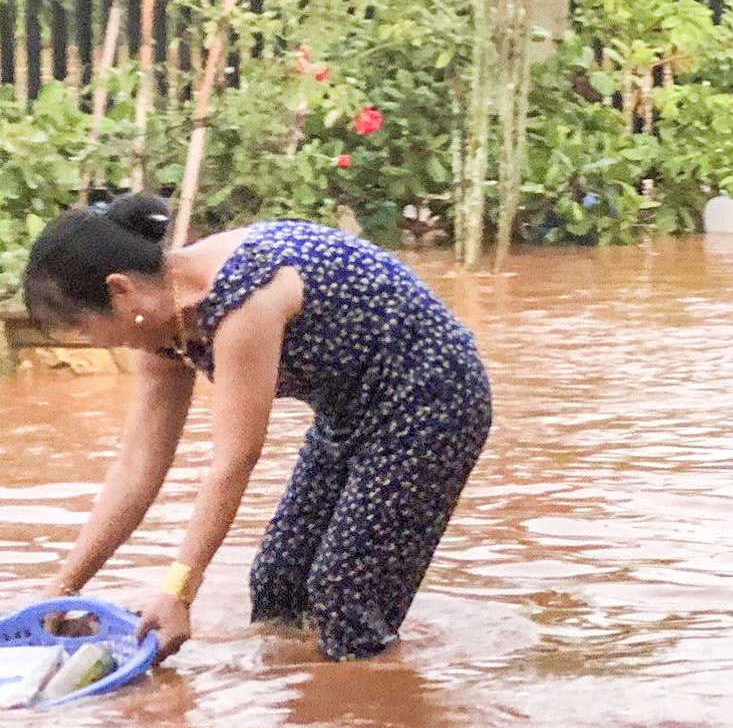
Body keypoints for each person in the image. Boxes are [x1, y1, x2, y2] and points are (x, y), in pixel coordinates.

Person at [23, 196, 492, 662]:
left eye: (83, 328)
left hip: (434, 394)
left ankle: (374, 690)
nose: (93, 343)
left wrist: (177, 592)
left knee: (345, 597)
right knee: (277, 582)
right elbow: (136, 468)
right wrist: (60, 592)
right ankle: (299, 690)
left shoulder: (241, 297)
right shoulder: (163, 335)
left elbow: (234, 460)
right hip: (348, 410)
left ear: (121, 291)